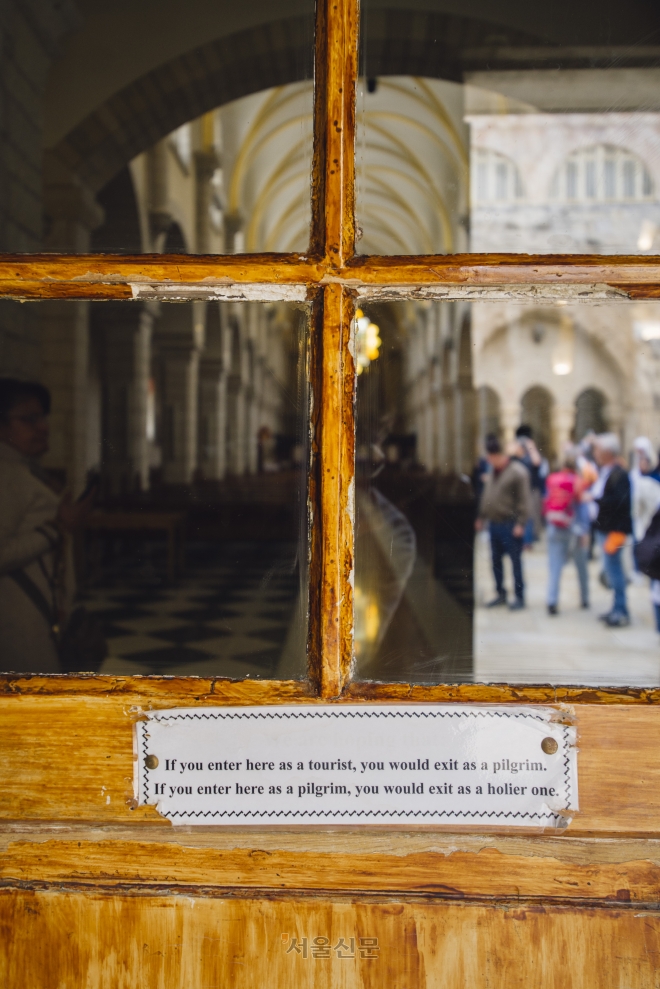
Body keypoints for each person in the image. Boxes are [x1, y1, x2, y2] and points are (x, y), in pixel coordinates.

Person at [0, 378, 93, 672]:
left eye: (42, 417)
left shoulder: (21, 471)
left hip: (38, 612)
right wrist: (57, 527)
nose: (43, 427)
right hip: (21, 621)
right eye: (29, 419)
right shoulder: (6, 476)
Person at [476, 433, 532, 611]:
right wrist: (481, 516)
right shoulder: (493, 470)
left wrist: (521, 523)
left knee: (515, 562)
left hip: (510, 523)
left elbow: (524, 500)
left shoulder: (518, 472)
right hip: (494, 523)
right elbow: (488, 494)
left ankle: (519, 596)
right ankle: (500, 593)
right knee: (495, 561)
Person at [590, 433, 633, 627]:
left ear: (608, 452)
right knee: (611, 569)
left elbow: (620, 502)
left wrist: (595, 500)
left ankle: (621, 611)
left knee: (615, 571)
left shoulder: (619, 474)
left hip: (613, 530)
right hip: (605, 528)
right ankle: (616, 608)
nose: (595, 453)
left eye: (598, 449)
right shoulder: (607, 471)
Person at [543, 448, 590, 615]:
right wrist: (585, 531)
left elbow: (547, 500)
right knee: (581, 566)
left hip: (554, 526)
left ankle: (552, 600)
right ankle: (584, 598)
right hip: (574, 529)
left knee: (555, 566)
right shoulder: (578, 481)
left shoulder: (552, 479)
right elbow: (582, 509)